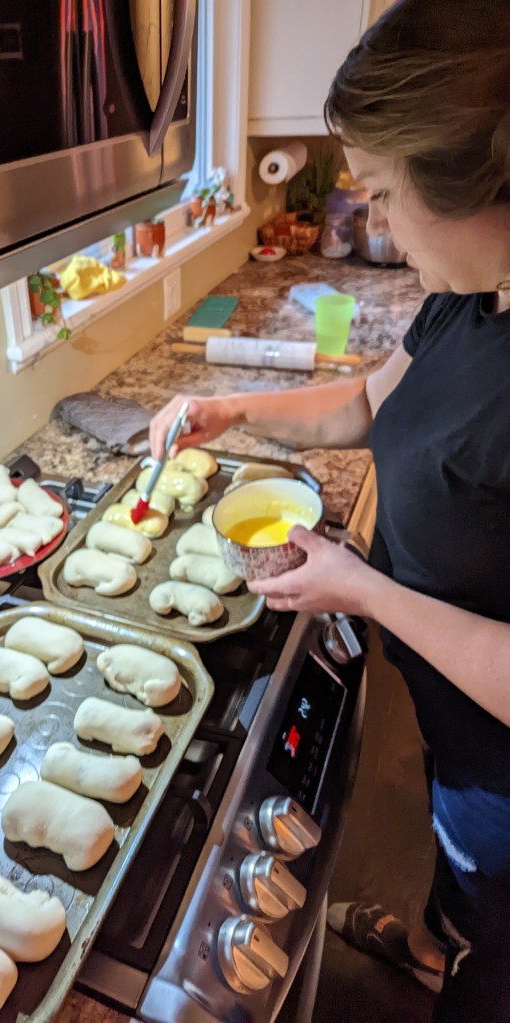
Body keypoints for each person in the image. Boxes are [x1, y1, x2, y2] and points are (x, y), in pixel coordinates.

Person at [150, 2, 509, 1020]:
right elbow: (368, 403)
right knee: (460, 874)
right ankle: (435, 939)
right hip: (455, 719)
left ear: (477, 182)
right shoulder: (473, 293)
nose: (377, 224)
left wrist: (364, 588)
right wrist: (233, 408)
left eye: (384, 193)